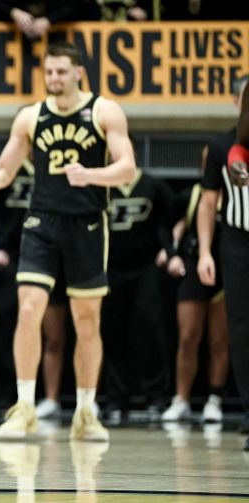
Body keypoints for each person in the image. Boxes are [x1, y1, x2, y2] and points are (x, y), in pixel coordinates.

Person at [0, 40, 136, 441]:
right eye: (48, 72)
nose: (53, 78)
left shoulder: (105, 110)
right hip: (42, 221)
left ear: (78, 72)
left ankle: (87, 412)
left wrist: (91, 176)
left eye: (60, 71)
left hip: (88, 221)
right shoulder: (31, 117)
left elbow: (127, 169)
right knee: (29, 308)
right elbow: (2, 173)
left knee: (87, 320)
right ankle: (24, 407)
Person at [0, 160, 69, 420]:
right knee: (9, 326)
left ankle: (50, 398)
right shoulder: (9, 164)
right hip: (11, 256)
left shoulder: (57, 163)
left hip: (49, 253)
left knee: (53, 331)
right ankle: (10, 397)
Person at [100, 165, 174, 423]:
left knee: (149, 328)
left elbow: (174, 215)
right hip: (110, 270)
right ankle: (115, 400)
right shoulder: (101, 186)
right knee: (111, 333)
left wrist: (169, 248)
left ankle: (156, 397)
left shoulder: (153, 185)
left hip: (145, 269)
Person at [199, 75, 249, 450]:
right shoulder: (222, 145)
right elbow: (207, 202)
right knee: (240, 324)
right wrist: (203, 251)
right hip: (236, 240)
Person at [163, 178, 228, 423]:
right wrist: (172, 255)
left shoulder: (239, 193)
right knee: (188, 337)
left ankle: (215, 399)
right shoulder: (191, 195)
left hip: (228, 272)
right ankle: (181, 399)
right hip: (195, 268)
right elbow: (164, 226)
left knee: (220, 341)